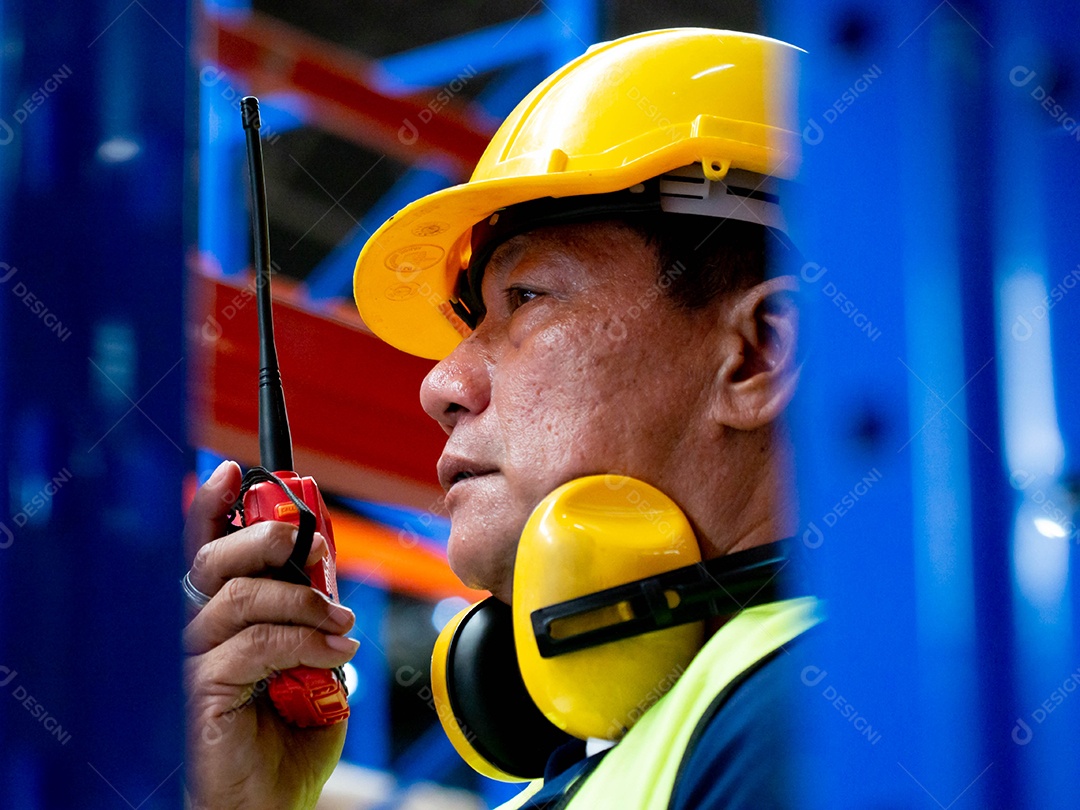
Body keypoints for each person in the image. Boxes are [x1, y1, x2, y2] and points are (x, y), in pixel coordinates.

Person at [183, 27, 820, 810]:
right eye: (470, 322)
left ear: (758, 355)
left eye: (528, 299)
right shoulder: (605, 768)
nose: (441, 384)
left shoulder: (808, 719)